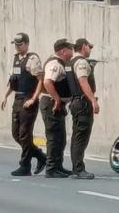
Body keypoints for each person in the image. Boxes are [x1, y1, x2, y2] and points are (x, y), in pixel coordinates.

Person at [1, 33, 47, 176]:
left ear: (27, 44)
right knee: (16, 134)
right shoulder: (16, 59)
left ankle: (25, 165)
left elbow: (40, 80)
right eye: (16, 44)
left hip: (28, 98)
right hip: (18, 98)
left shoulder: (32, 59)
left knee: (25, 135)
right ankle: (40, 155)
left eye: (20, 44)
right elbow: (13, 81)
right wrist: (5, 96)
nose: (17, 47)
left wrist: (33, 98)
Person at [65, 38, 100, 180]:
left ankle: (76, 167)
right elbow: (83, 81)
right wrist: (93, 100)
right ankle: (79, 169)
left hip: (75, 102)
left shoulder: (70, 62)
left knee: (77, 136)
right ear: (84, 46)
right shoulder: (81, 62)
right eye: (89, 47)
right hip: (82, 103)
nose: (90, 50)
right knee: (81, 136)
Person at [41, 39, 75, 178]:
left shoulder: (61, 63)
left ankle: (58, 166)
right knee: (54, 137)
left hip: (56, 104)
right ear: (63, 51)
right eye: (70, 49)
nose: (72, 52)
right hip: (51, 104)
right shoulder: (54, 63)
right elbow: (47, 82)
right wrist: (57, 99)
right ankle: (51, 168)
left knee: (60, 138)